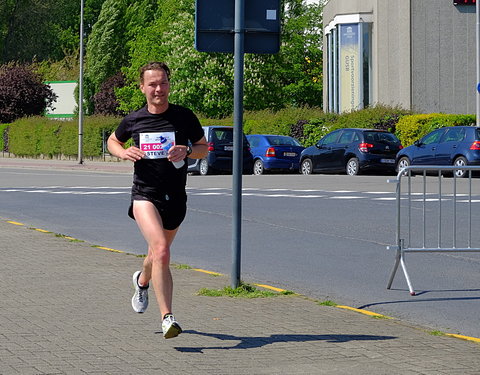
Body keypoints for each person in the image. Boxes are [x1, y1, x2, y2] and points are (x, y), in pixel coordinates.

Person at [107, 62, 208, 339]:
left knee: (156, 254)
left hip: (175, 196)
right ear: (142, 88)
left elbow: (203, 149)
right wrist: (123, 152)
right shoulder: (134, 120)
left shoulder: (184, 117)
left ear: (169, 85)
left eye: (162, 83)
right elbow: (112, 141)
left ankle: (141, 281)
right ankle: (168, 318)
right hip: (145, 194)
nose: (158, 89)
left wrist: (186, 150)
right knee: (161, 250)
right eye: (152, 84)